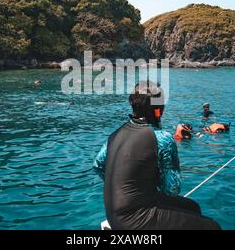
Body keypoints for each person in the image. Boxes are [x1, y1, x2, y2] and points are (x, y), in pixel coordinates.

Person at [93, 81, 221, 230]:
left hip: (112, 213)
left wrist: (131, 186)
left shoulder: (115, 134)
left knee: (193, 207)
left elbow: (98, 165)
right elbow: (171, 189)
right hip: (135, 220)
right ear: (158, 110)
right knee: (212, 226)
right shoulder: (162, 138)